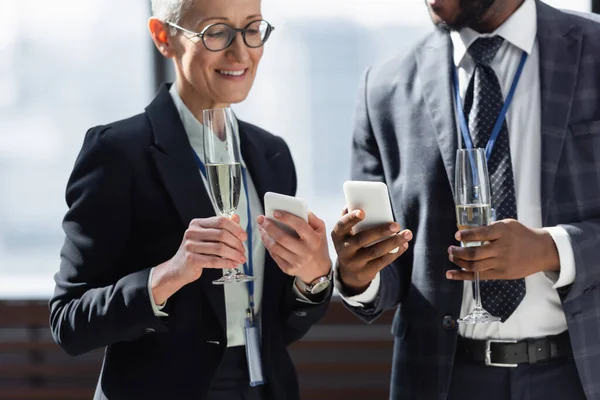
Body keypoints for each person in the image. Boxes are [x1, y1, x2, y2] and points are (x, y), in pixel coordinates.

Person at [49, 0, 333, 399]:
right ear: (163, 37)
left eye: (252, 29)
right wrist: (167, 276)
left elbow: (283, 325)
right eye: (217, 32)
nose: (241, 52)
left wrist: (314, 276)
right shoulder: (117, 152)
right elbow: (68, 322)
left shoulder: (273, 154)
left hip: (265, 386)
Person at [331, 0, 600, 399]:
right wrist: (358, 275)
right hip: (444, 380)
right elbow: (392, 271)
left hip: (579, 373)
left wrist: (552, 250)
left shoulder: (594, 48)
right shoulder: (384, 86)